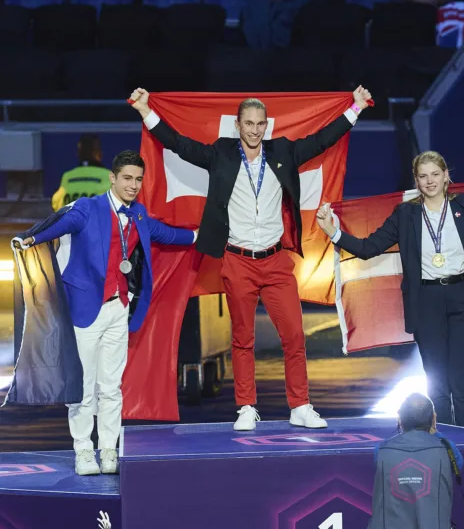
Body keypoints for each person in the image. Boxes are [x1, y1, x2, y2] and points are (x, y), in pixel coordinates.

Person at [129, 85, 373, 431]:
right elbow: (179, 145)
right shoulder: (222, 154)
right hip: (237, 260)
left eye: (260, 123)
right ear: (238, 126)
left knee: (294, 337)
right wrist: (144, 111)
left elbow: (322, 140)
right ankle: (246, 407)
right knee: (242, 339)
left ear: (266, 125)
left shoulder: (284, 152)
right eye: (249, 123)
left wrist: (356, 107)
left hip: (275, 263)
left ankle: (300, 405)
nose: (255, 129)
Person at [317, 150, 464, 428]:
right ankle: (443, 448)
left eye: (435, 174)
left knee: (463, 383)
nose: (430, 181)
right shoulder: (405, 214)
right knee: (437, 384)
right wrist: (333, 232)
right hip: (426, 301)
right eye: (423, 176)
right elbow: (368, 248)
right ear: (416, 181)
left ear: (446, 176)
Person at [16, 150, 197, 476]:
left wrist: (200, 236)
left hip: (119, 309)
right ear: (112, 178)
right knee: (84, 387)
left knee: (111, 387)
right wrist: (30, 238)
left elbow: (166, 234)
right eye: (127, 178)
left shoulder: (139, 214)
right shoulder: (88, 208)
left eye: (138, 179)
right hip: (86, 311)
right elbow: (59, 224)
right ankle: (84, 450)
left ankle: (109, 450)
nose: (133, 185)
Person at [369, 393, 463, 529]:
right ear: (433, 419)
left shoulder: (381, 450)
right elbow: (458, 466)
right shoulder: (447, 449)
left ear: (400, 419)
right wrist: (435, 431)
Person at [51, 134, 112, 212]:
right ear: (99, 154)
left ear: (78, 154)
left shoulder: (67, 176)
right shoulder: (110, 176)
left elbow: (56, 203)